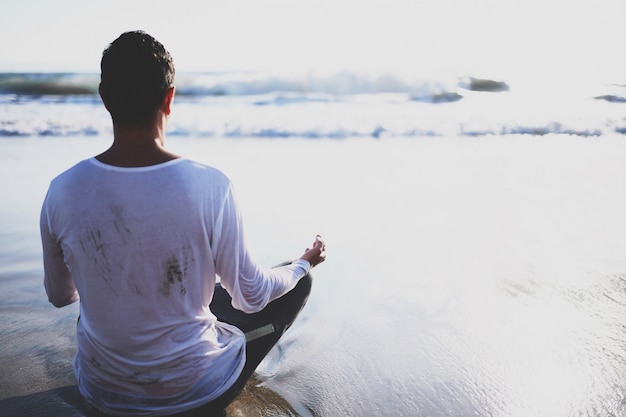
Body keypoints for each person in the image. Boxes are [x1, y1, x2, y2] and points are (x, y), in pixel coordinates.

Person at [40, 30, 326, 416]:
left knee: (101, 297)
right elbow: (251, 296)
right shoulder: (210, 186)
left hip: (101, 395)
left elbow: (62, 296)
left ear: (104, 97)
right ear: (169, 98)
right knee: (297, 283)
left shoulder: (62, 190)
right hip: (197, 393)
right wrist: (303, 263)